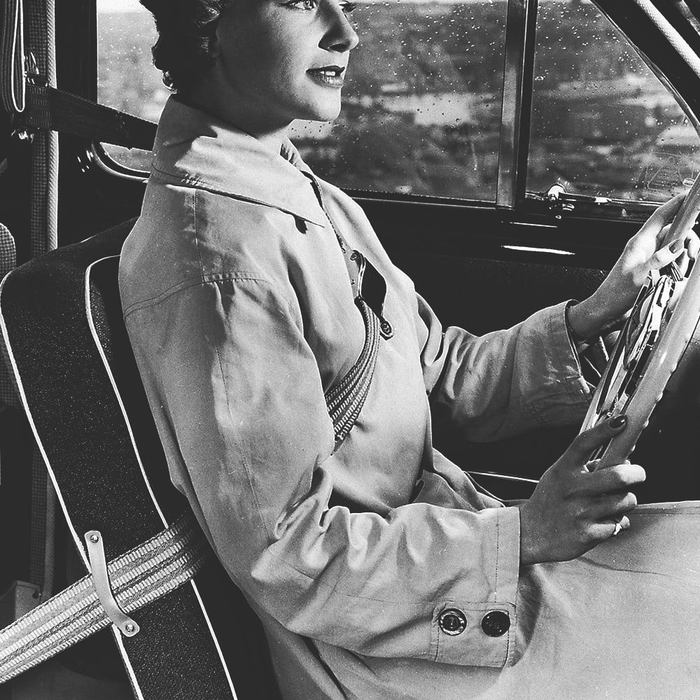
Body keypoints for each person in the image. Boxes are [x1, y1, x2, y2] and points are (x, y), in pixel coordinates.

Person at [118, 0, 696, 697]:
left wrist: (596, 311)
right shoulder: (220, 262)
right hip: (380, 650)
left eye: (345, 4)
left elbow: (439, 371)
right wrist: (524, 534)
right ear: (205, 21)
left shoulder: (300, 194)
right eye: (302, 2)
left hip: (441, 564)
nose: (346, 33)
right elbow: (290, 554)